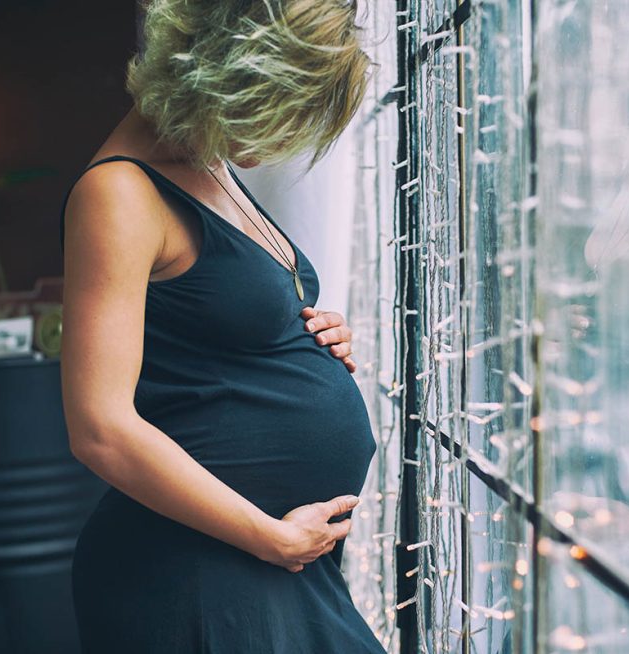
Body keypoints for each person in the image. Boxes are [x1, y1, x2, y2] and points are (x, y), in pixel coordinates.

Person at [58, 0, 385, 651]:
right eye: (277, 110)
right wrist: (272, 537)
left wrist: (306, 333)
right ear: (218, 75)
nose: (283, 138)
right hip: (200, 569)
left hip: (268, 563)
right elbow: (100, 429)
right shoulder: (118, 194)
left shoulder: (207, 165)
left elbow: (211, 327)